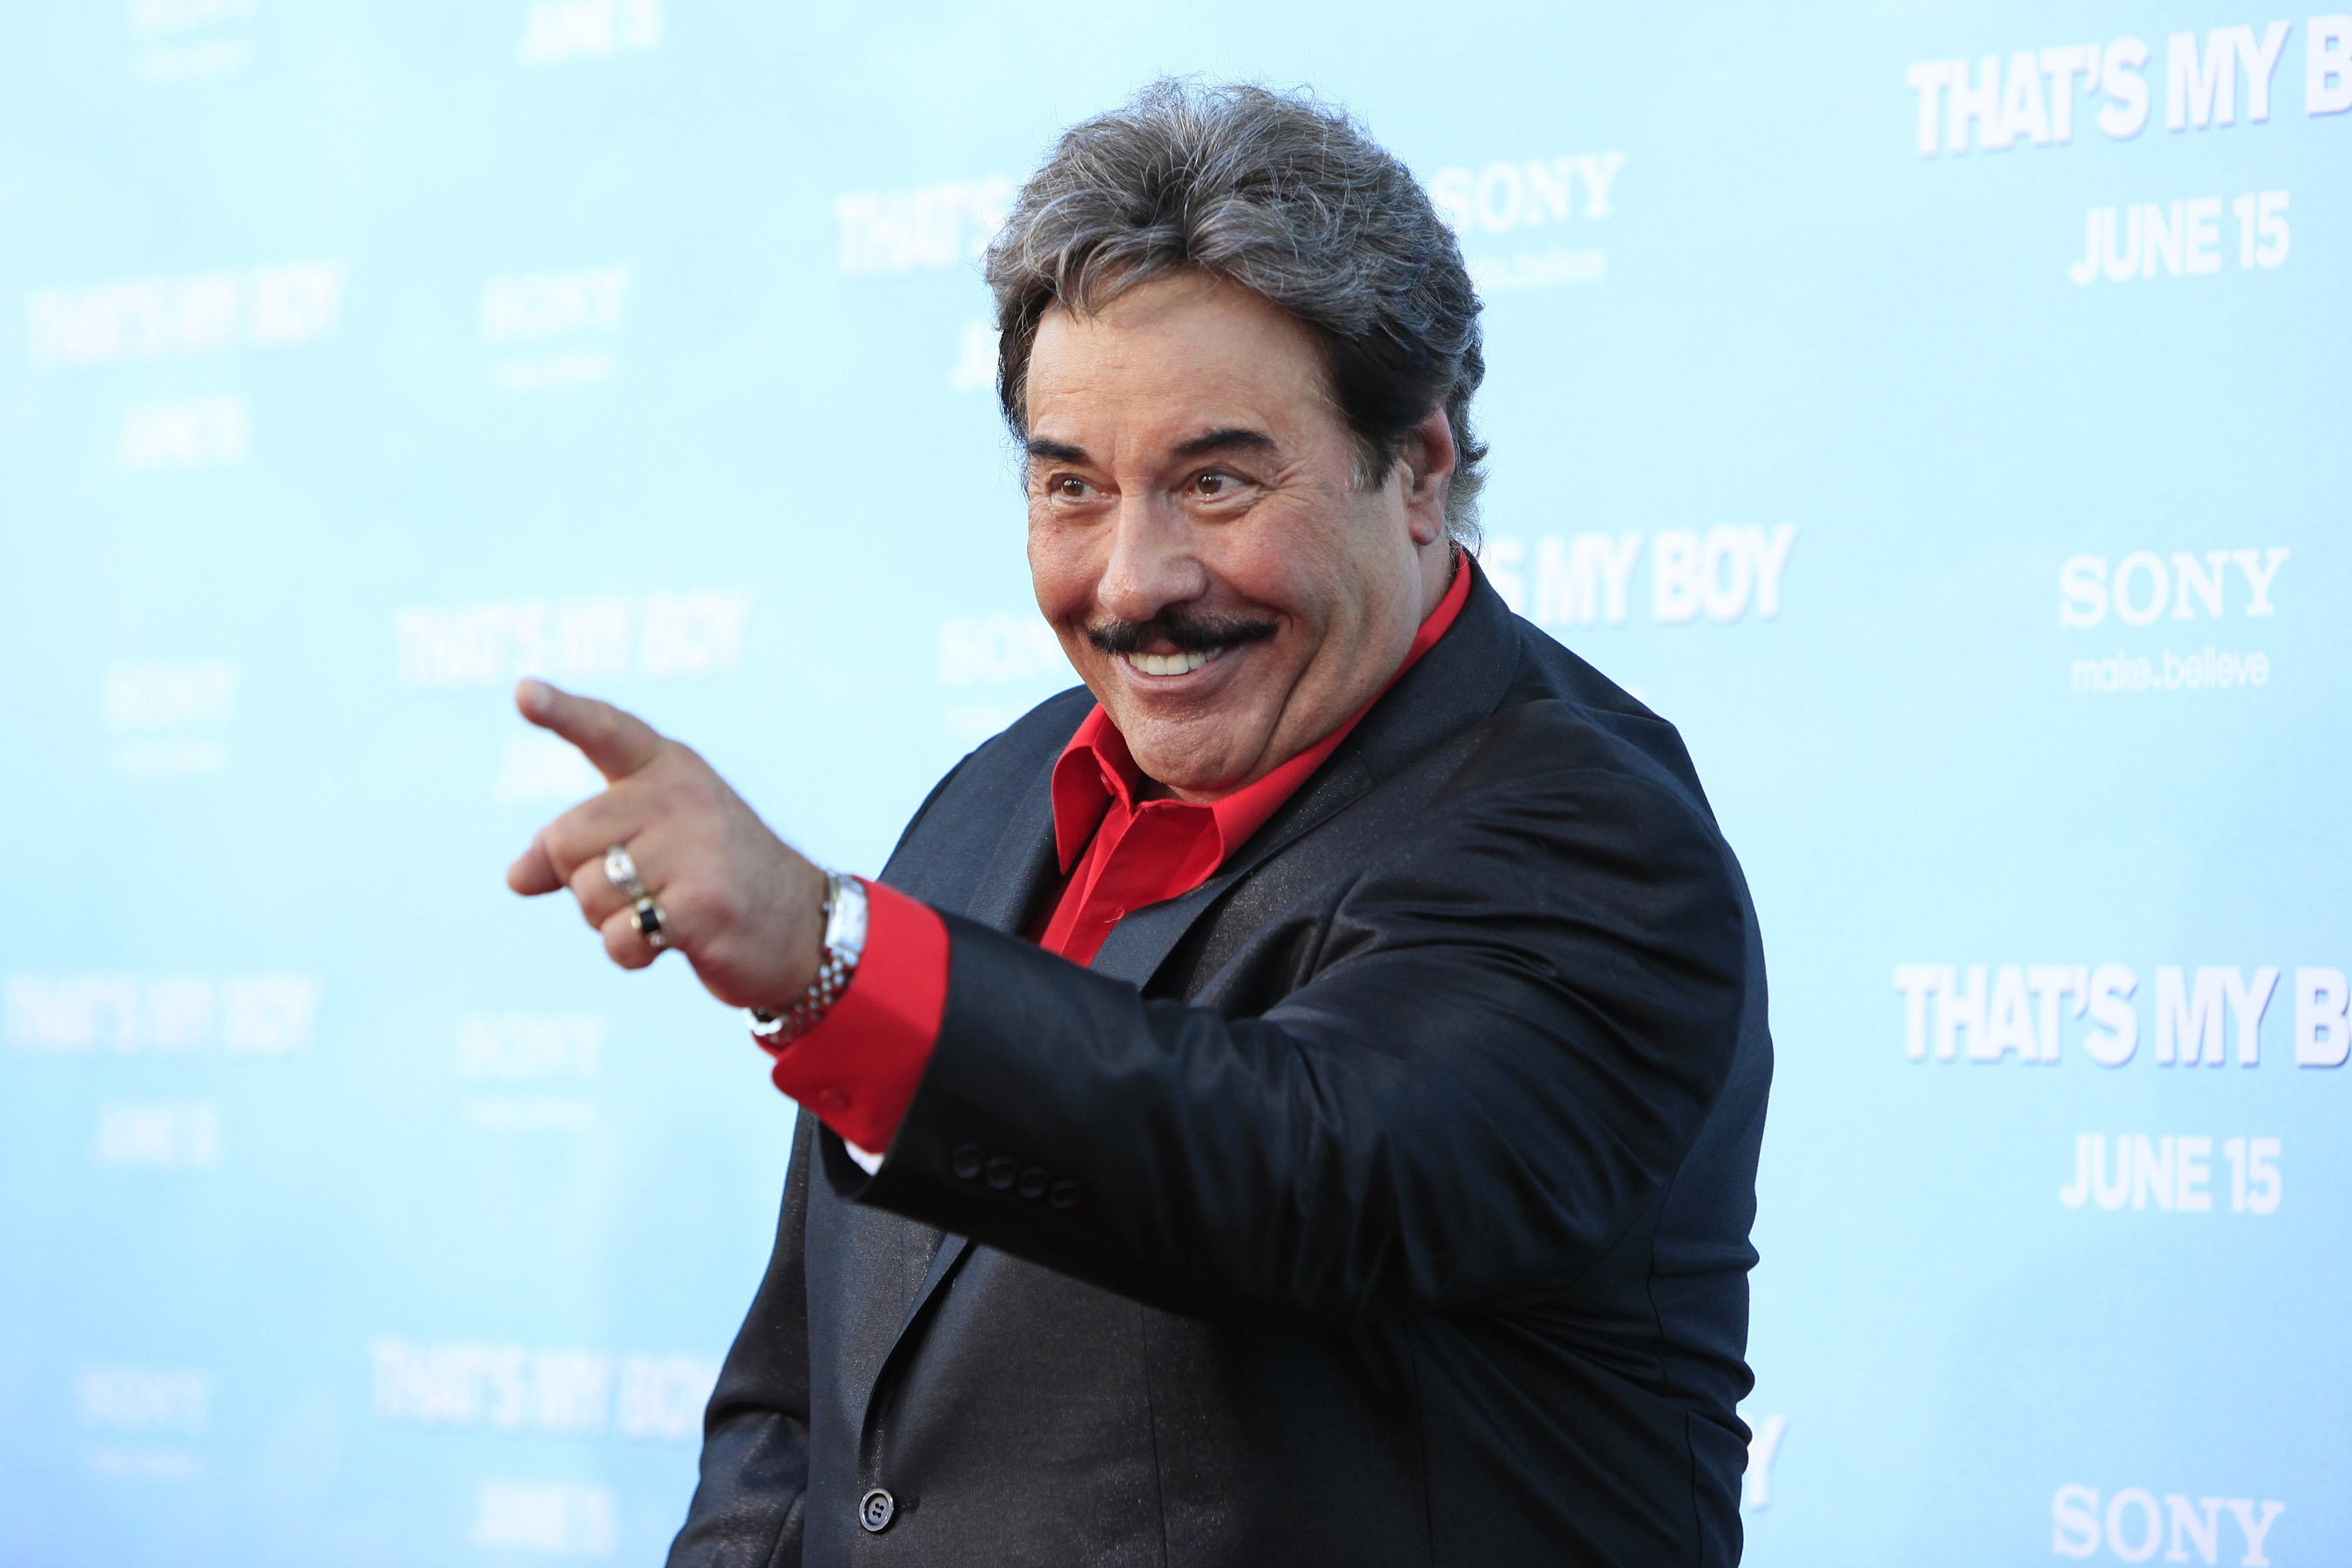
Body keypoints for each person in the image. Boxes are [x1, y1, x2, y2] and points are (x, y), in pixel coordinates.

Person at [508, 80, 1771, 1567]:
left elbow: (1309, 1172)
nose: (1131, 580)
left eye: (1215, 481)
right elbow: (805, 1404)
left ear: (1419, 470)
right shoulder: (993, 798)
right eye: (1071, 489)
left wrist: (832, 956)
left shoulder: (1590, 835)